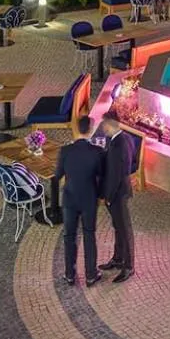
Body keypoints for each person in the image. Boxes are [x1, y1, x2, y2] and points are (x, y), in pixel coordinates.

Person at [54, 116, 106, 286]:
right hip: (89, 199)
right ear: (90, 129)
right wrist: (99, 195)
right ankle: (91, 274)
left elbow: (57, 175)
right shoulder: (97, 152)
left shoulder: (65, 151)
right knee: (89, 234)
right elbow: (101, 176)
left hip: (70, 199)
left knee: (69, 236)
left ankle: (69, 274)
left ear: (76, 129)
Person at [97, 112, 136, 282]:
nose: (102, 128)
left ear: (110, 124)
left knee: (124, 229)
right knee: (118, 227)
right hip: (119, 191)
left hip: (117, 194)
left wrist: (108, 196)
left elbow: (115, 175)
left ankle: (128, 266)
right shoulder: (124, 139)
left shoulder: (119, 145)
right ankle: (118, 258)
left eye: (104, 124)